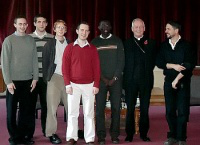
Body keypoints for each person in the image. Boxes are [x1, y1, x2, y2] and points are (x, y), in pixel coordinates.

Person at [1, 15, 38, 145]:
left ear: (27, 26)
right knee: (11, 111)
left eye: (25, 24)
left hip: (28, 81)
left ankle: (23, 136)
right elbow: (4, 62)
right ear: (15, 25)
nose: (23, 26)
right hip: (13, 82)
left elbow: (34, 60)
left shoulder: (30, 40)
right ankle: (14, 137)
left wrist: (35, 78)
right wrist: (8, 82)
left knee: (25, 111)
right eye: (20, 24)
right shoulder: (8, 40)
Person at [156, 21, 195, 145]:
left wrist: (177, 79)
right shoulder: (163, 46)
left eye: (168, 29)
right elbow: (159, 62)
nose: (166, 31)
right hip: (168, 83)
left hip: (182, 82)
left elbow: (188, 65)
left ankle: (181, 138)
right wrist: (173, 65)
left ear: (176, 30)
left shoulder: (187, 45)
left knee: (183, 111)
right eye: (166, 29)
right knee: (170, 111)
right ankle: (172, 135)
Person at [62, 21, 100, 145]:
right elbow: (65, 67)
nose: (84, 33)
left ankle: (89, 139)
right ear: (77, 31)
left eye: (86, 31)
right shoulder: (70, 47)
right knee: (73, 113)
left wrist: (96, 84)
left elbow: (97, 68)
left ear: (89, 33)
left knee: (89, 113)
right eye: (82, 30)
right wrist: (67, 84)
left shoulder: (92, 48)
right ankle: (72, 137)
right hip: (73, 85)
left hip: (89, 85)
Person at [91, 20, 124, 144]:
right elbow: (93, 63)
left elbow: (121, 61)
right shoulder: (94, 42)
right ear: (99, 27)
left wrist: (114, 78)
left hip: (116, 81)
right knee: (100, 109)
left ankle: (115, 135)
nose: (105, 27)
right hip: (100, 80)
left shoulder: (117, 41)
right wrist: (103, 78)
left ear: (111, 27)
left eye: (108, 25)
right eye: (103, 25)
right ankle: (101, 136)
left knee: (116, 108)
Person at [123, 18, 156, 142]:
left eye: (140, 27)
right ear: (131, 29)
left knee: (144, 108)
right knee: (130, 108)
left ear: (144, 28)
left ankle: (143, 134)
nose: (138, 29)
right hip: (130, 81)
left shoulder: (151, 43)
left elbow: (153, 61)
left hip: (146, 81)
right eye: (135, 27)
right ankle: (129, 134)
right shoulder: (126, 44)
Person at [42, 20, 69, 144]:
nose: (61, 30)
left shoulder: (70, 44)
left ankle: (72, 132)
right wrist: (48, 78)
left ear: (66, 30)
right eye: (58, 27)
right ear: (54, 29)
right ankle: (51, 133)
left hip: (68, 79)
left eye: (63, 27)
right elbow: (45, 62)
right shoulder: (49, 44)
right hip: (54, 78)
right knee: (52, 108)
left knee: (71, 108)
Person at [30, 14, 54, 137]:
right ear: (34, 23)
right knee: (29, 107)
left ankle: (47, 132)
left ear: (47, 24)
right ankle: (29, 134)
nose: (41, 24)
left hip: (46, 78)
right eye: (39, 22)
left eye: (44, 22)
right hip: (31, 78)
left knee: (47, 107)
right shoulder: (28, 38)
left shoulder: (52, 38)